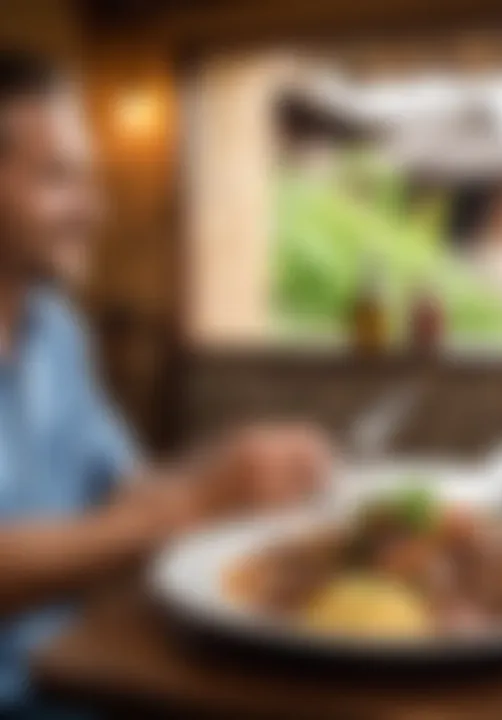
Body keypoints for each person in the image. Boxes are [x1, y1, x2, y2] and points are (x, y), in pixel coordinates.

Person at [0, 49, 332, 715]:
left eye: (93, 181)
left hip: (86, 673)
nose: (95, 211)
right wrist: (189, 509)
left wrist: (235, 467)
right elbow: (150, 519)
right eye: (59, 179)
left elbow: (125, 489)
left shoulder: (57, 332)